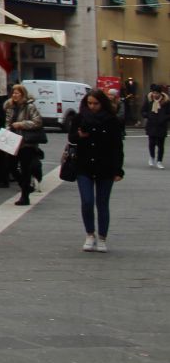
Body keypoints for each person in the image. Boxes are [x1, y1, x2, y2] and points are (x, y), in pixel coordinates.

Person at [69, 88, 125, 252]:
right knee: (87, 201)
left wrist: (118, 170)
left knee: (102, 203)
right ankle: (89, 233)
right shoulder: (80, 118)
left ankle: (102, 237)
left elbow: (117, 146)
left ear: (103, 103)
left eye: (95, 103)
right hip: (84, 165)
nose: (92, 106)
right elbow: (71, 138)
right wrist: (80, 136)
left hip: (105, 165)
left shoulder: (111, 120)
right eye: (89, 103)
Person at [2, 83, 44, 205]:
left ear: (23, 94)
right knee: (11, 166)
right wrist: (7, 132)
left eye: (17, 93)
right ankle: (26, 187)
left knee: (25, 168)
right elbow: (8, 122)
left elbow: (38, 122)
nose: (14, 95)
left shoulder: (30, 107)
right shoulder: (10, 107)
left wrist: (22, 124)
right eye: (13, 93)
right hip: (13, 141)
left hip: (26, 143)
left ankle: (25, 197)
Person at [143, 84, 168, 169]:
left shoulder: (166, 102)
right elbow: (143, 111)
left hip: (161, 126)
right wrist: (148, 115)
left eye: (157, 93)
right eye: (154, 93)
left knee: (161, 145)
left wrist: (164, 118)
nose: (155, 95)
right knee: (151, 143)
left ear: (160, 93)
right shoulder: (149, 101)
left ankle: (159, 161)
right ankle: (152, 157)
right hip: (151, 125)